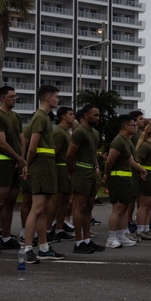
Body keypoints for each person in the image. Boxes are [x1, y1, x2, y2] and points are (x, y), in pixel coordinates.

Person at [21, 85, 66, 263]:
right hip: (40, 165)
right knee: (37, 208)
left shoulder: (44, 117)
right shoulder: (39, 117)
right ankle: (27, 248)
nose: (57, 99)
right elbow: (32, 146)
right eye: (56, 97)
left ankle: (44, 248)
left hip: (47, 165)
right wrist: (28, 165)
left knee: (44, 210)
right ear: (48, 98)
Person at [0, 86, 26, 253]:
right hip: (3, 163)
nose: (14, 99)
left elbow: (21, 139)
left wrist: (21, 159)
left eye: (15, 96)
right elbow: (1, 142)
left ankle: (6, 237)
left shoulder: (15, 116)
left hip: (16, 162)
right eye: (11, 96)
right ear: (2, 98)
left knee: (11, 201)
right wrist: (18, 158)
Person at [67, 103, 105, 253]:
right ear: (85, 116)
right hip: (81, 172)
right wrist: (72, 173)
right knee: (79, 206)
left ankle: (87, 239)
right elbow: (70, 155)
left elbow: (92, 153)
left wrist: (96, 166)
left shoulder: (95, 133)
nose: (98, 118)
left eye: (98, 115)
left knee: (89, 207)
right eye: (95, 115)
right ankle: (78, 242)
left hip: (91, 173)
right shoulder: (79, 132)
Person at [104, 114, 144, 248]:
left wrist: (141, 169)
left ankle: (121, 235)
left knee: (124, 208)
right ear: (126, 126)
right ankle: (111, 238)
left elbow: (130, 160)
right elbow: (109, 161)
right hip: (118, 178)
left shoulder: (127, 141)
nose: (136, 127)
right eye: (133, 125)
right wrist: (107, 176)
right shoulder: (119, 141)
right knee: (118, 208)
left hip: (126, 178)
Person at [48, 106, 76, 242]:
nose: (73, 117)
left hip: (66, 169)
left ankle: (59, 228)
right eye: (70, 114)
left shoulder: (67, 132)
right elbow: (55, 153)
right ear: (63, 116)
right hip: (59, 168)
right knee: (56, 200)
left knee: (65, 200)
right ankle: (48, 229)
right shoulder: (59, 132)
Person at [134, 122, 151, 240]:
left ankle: (146, 228)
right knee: (144, 205)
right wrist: (142, 172)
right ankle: (140, 230)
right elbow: (137, 161)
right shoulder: (145, 146)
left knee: (150, 205)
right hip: (148, 177)